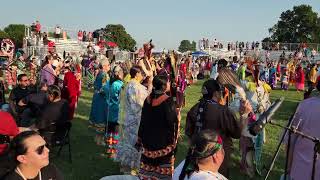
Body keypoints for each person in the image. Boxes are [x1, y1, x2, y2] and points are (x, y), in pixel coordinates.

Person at [185, 79, 251, 178]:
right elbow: (237, 133)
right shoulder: (222, 111)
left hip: (197, 158)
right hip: (216, 159)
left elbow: (189, 133)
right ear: (216, 93)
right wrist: (244, 114)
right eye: (220, 92)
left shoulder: (194, 109)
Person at [137, 74, 179, 179]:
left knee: (147, 173)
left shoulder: (148, 99)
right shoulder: (167, 101)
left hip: (148, 141)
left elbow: (143, 120)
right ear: (164, 86)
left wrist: (140, 138)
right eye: (168, 82)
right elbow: (172, 123)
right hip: (163, 144)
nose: (169, 84)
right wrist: (173, 142)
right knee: (162, 175)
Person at [114, 66, 151, 175]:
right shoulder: (136, 87)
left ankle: (124, 166)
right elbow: (140, 104)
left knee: (126, 142)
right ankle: (131, 169)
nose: (142, 75)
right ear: (136, 74)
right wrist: (149, 90)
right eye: (141, 73)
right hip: (134, 120)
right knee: (133, 143)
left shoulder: (128, 84)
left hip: (126, 118)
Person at [284, 81, 320, 180]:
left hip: (299, 169)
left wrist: (288, 169)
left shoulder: (305, 105)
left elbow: (290, 141)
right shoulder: (305, 105)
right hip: (301, 168)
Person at [88, 59, 110, 145]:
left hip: (96, 96)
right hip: (101, 98)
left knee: (97, 116)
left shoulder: (99, 73)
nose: (109, 66)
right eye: (108, 65)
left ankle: (97, 138)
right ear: (104, 66)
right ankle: (99, 140)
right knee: (101, 117)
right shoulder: (104, 75)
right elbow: (105, 88)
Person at [104, 65, 124, 158]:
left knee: (109, 128)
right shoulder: (119, 84)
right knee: (115, 130)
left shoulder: (109, 83)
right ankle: (114, 150)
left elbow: (104, 90)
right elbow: (122, 97)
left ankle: (109, 147)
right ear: (119, 73)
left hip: (109, 108)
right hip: (117, 109)